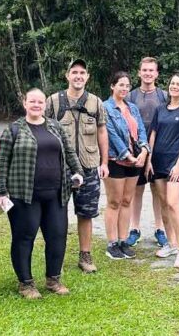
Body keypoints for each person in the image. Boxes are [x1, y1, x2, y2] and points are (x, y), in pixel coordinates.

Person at [0, 88, 85, 299]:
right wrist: (0, 190)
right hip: (24, 195)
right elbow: (2, 163)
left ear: (45, 105)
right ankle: (25, 283)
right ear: (25, 103)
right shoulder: (14, 130)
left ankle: (53, 279)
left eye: (40, 102)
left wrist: (78, 172)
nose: (36, 105)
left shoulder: (55, 127)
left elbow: (69, 152)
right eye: (32, 101)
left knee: (57, 236)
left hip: (56, 193)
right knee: (24, 237)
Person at [45, 59, 109, 274]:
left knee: (86, 213)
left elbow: (102, 132)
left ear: (87, 76)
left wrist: (105, 162)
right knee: (57, 214)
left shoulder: (96, 102)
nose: (78, 76)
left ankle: (85, 255)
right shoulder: (53, 102)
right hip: (59, 168)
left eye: (82, 72)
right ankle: (57, 257)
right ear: (67, 75)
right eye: (74, 72)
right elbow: (42, 130)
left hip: (89, 166)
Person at [146, 73, 179, 268]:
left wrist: (178, 164)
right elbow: (153, 135)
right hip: (157, 162)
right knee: (163, 204)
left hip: (176, 163)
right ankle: (171, 244)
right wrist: (149, 159)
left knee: (173, 202)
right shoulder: (160, 110)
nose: (175, 86)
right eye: (173, 83)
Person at [103, 72, 150, 260]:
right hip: (116, 160)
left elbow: (142, 130)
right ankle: (112, 243)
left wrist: (145, 150)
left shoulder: (132, 108)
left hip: (136, 160)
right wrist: (127, 155)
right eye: (120, 85)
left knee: (127, 201)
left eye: (127, 85)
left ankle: (123, 240)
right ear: (112, 86)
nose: (124, 88)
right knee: (114, 201)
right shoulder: (106, 107)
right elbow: (111, 133)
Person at [124, 57, 169, 249]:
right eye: (145, 70)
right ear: (139, 72)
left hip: (160, 149)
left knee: (158, 190)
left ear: (157, 74)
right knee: (137, 189)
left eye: (152, 70)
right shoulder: (130, 96)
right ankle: (135, 228)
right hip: (137, 149)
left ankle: (160, 229)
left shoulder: (164, 96)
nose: (148, 73)